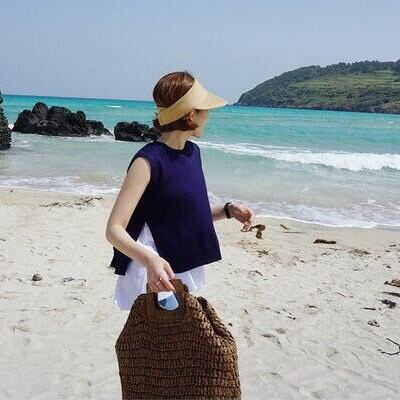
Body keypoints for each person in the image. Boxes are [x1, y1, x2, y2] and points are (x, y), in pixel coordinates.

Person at [105, 71, 255, 310]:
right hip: (154, 273)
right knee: (161, 331)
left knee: (177, 331)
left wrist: (228, 210)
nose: (209, 116)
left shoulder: (193, 153)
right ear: (191, 115)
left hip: (180, 264)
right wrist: (150, 260)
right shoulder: (147, 161)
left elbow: (186, 214)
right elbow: (114, 229)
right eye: (205, 110)